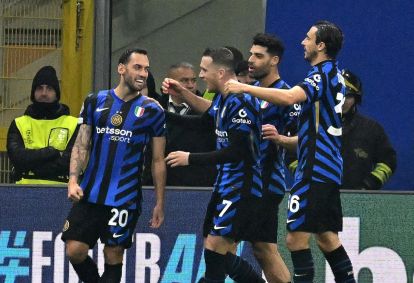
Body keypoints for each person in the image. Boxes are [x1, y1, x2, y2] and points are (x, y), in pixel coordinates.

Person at [225, 21, 356, 283]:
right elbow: (314, 131)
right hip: (327, 165)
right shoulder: (335, 75)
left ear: (320, 45)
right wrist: (283, 140)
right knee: (327, 238)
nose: (302, 43)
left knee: (295, 238)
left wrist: (244, 86)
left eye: (308, 39)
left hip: (315, 167)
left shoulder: (320, 74)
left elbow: (288, 98)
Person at [61, 49, 166, 283]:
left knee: (113, 254)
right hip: (90, 193)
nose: (143, 74)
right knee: (75, 250)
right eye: (137, 67)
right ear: (121, 69)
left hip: (125, 198)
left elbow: (158, 160)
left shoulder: (153, 111)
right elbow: (82, 144)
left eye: (146, 69)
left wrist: (159, 202)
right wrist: (73, 180)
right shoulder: (95, 101)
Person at [163, 47, 265, 283]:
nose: (200, 76)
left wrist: (190, 158)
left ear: (220, 73)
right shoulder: (222, 98)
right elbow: (202, 124)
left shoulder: (241, 102)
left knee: (215, 248)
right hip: (225, 186)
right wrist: (161, 113)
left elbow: (238, 151)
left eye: (203, 70)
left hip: (242, 188)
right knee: (217, 251)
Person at [7, 65, 78, 184]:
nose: (44, 93)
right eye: (39, 88)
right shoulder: (19, 124)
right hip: (23, 193)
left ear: (57, 94)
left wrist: (29, 167)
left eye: (49, 88)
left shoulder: (74, 124)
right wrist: (52, 152)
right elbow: (17, 158)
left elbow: (70, 163)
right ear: (33, 93)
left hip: (63, 194)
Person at [159, 62, 216, 186]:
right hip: (163, 182)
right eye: (184, 81)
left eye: (193, 80)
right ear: (171, 82)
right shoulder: (157, 106)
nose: (190, 85)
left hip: (198, 183)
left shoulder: (207, 110)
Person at [341, 69, 397, 190]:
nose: (343, 101)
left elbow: (389, 161)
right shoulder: (316, 125)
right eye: (339, 95)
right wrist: (306, 181)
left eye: (348, 96)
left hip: (358, 200)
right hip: (321, 199)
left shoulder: (371, 129)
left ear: (356, 98)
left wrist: (370, 184)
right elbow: (292, 157)